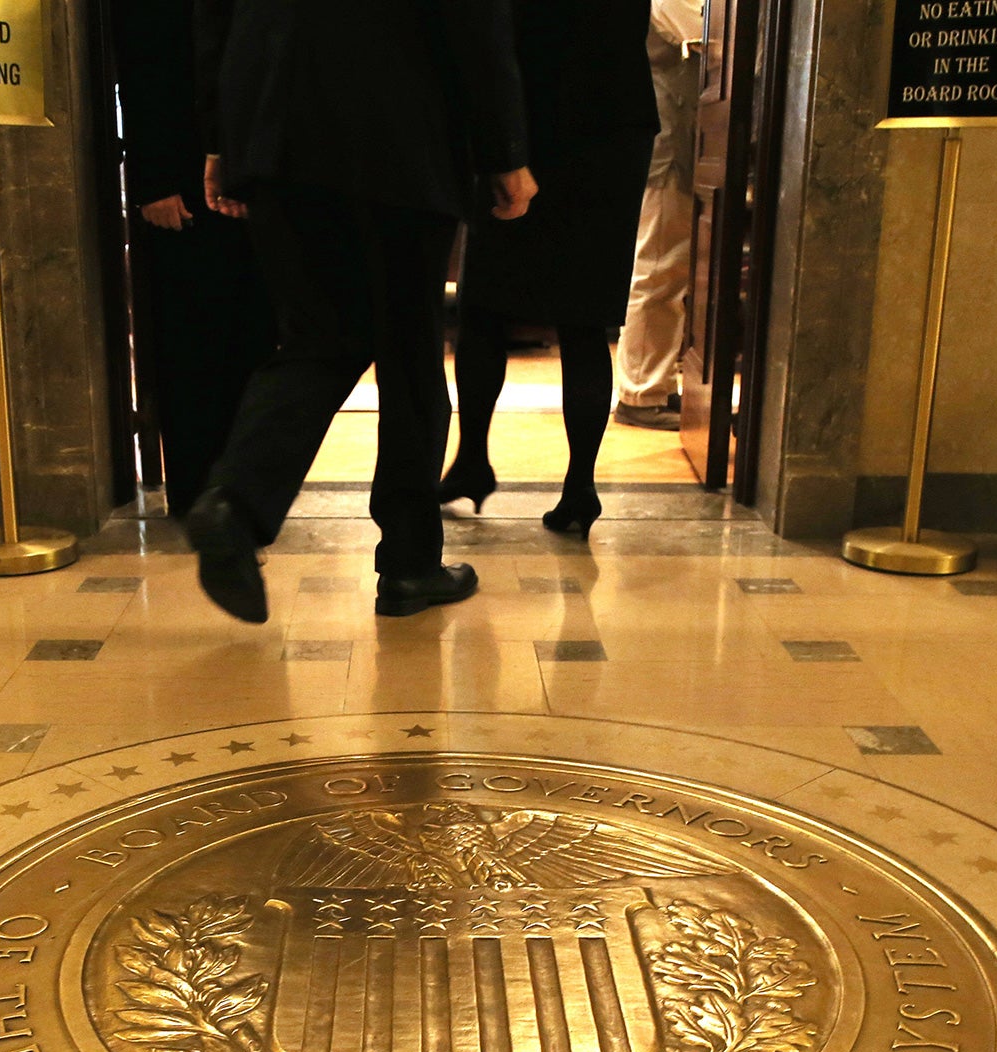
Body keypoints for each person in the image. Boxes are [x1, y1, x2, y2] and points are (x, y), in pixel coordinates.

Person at [185, 0, 536, 623]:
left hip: (274, 123)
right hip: (402, 129)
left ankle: (234, 504)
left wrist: (221, 141)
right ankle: (408, 565)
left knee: (316, 337)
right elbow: (474, 18)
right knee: (411, 354)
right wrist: (504, 150)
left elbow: (214, 13)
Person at [437, 0, 659, 540]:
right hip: (613, 122)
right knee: (584, 318)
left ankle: (471, 459)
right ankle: (580, 486)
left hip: (527, 113)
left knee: (484, 304)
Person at [114, 0, 276, 517]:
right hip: (182, 174)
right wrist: (154, 178)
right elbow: (143, 57)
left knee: (256, 334)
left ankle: (242, 489)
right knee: (193, 339)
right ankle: (197, 492)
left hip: (260, 172)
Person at [615, 0, 704, 432]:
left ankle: (655, 384)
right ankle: (641, 393)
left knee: (671, 269)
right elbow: (705, 31)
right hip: (667, 144)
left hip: (682, 141)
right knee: (658, 267)